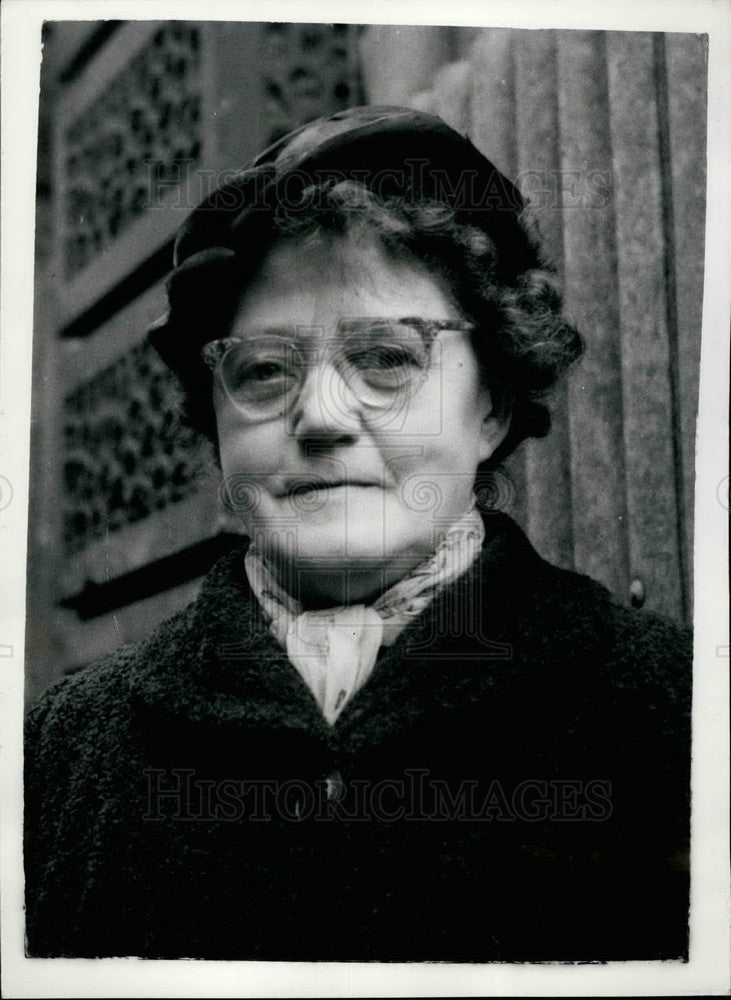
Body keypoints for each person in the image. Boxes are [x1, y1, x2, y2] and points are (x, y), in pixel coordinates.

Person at [24, 106, 691, 961]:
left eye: (385, 358)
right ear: (218, 421)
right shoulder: (62, 756)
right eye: (263, 370)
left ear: (490, 402)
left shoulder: (674, 716)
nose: (321, 418)